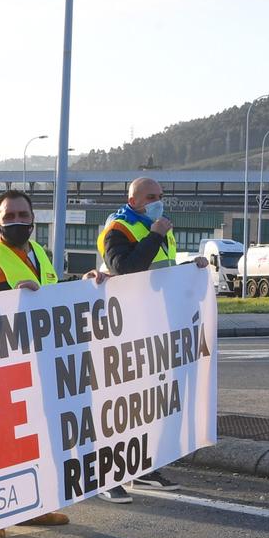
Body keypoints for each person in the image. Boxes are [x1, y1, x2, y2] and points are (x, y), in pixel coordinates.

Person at [0, 189, 92, 538]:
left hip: (39, 362)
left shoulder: (38, 254)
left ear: (34, 219)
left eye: (24, 215)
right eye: (11, 216)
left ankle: (33, 505)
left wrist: (81, 286)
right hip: (0, 365)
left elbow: (51, 296)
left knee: (33, 437)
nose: (18, 222)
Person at [94, 177, 210, 501]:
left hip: (153, 326)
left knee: (147, 406)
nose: (158, 201)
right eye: (150, 196)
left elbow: (161, 273)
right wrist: (156, 233)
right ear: (133, 200)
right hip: (124, 327)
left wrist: (191, 268)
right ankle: (109, 474)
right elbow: (127, 268)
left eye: (160, 196)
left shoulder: (157, 227)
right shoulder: (120, 227)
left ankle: (141, 468)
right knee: (121, 405)